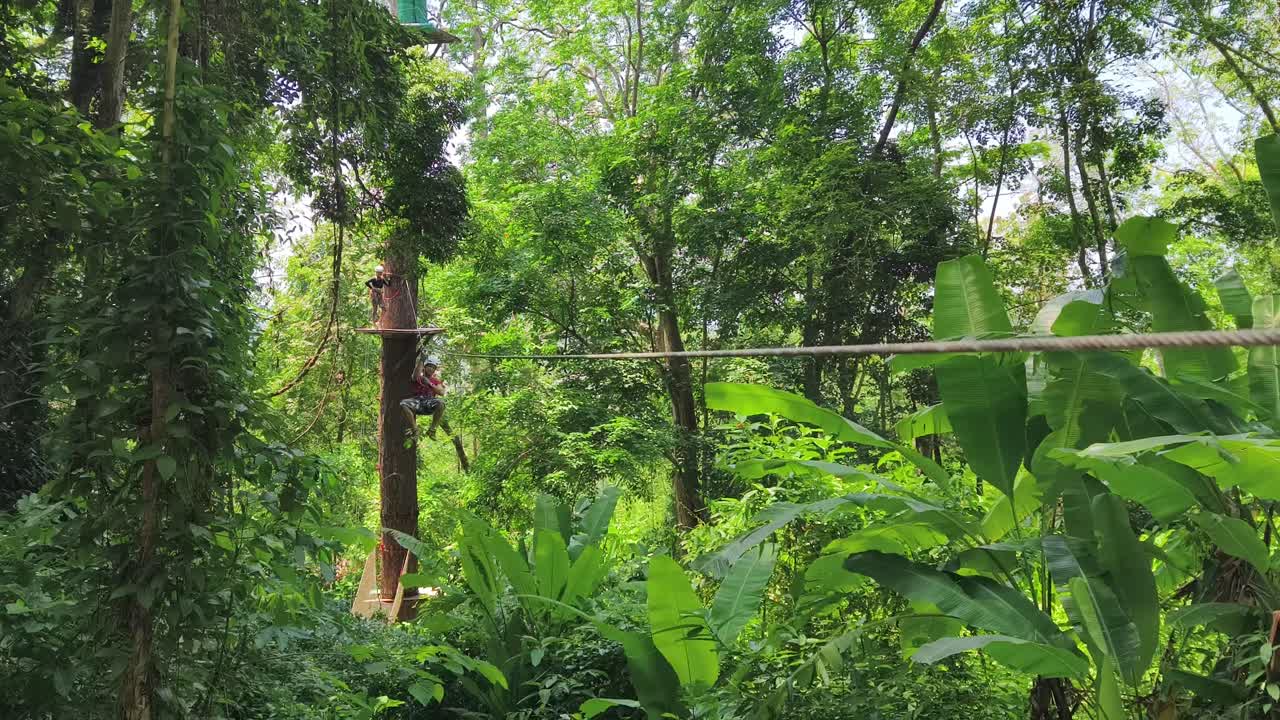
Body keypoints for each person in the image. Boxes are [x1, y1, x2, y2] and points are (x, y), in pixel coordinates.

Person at [400, 356, 449, 440]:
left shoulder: (435, 381)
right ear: (424, 367)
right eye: (429, 366)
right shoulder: (419, 377)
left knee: (441, 403)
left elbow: (441, 392)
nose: (431, 369)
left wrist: (430, 383)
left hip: (428, 404)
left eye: (433, 367)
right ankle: (415, 430)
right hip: (417, 403)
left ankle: (432, 430)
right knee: (403, 404)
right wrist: (422, 360)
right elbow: (415, 376)